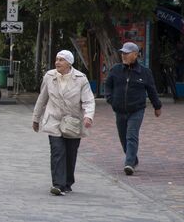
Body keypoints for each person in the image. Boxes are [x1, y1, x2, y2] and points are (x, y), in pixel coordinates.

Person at [32, 50, 95, 196]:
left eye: (61, 60)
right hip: (53, 119)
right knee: (57, 151)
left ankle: (67, 182)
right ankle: (58, 184)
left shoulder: (81, 79)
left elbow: (89, 100)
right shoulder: (49, 76)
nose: (57, 62)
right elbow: (42, 98)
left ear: (69, 63)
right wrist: (36, 118)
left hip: (73, 121)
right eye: (56, 59)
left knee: (70, 153)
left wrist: (88, 116)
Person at [105, 42, 162, 176]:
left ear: (135, 55)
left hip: (137, 110)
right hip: (119, 110)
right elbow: (108, 86)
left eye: (127, 53)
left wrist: (157, 106)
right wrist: (110, 99)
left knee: (131, 135)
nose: (123, 55)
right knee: (123, 138)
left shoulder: (145, 72)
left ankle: (129, 163)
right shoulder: (115, 70)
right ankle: (133, 158)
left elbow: (152, 90)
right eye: (122, 53)